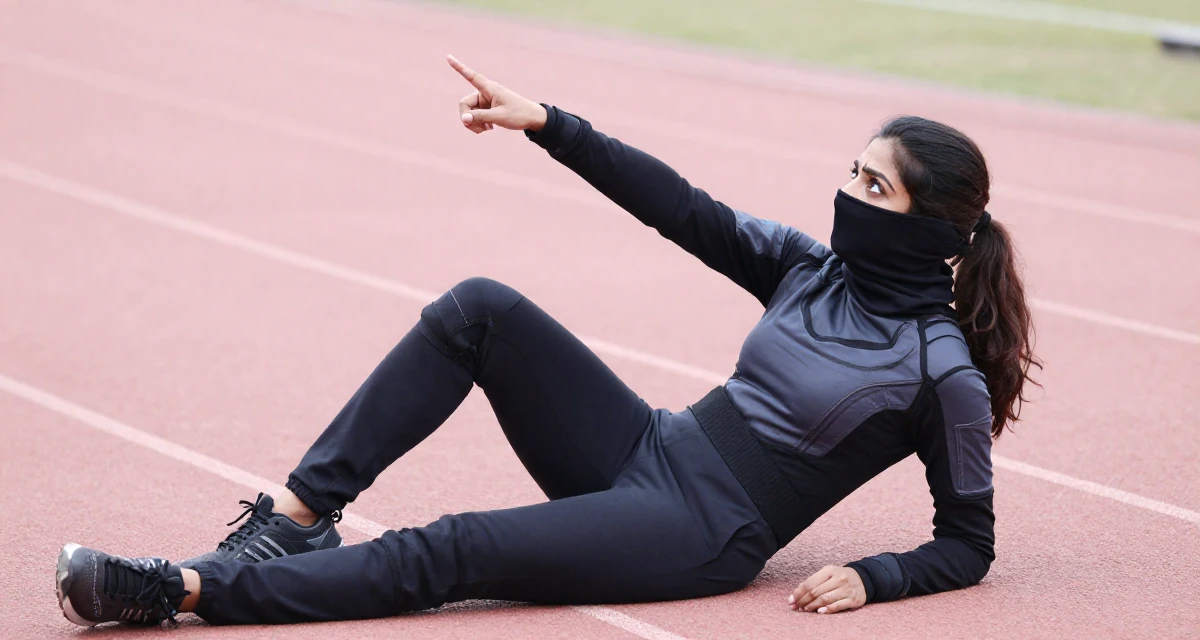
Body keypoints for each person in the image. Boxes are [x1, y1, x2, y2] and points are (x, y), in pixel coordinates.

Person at [54, 55, 1041, 627]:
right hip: (647, 448)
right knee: (482, 307)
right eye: (853, 173)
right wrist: (550, 124)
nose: (848, 196)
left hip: (705, 531)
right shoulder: (808, 267)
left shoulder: (938, 371)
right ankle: (299, 511)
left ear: (935, 226)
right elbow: (681, 208)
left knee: (459, 546)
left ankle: (180, 590)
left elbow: (969, 542)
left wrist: (878, 576)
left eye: (875, 187)